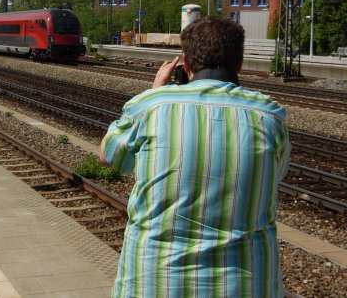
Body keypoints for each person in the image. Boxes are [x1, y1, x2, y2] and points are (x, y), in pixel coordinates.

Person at [100, 15, 290, 297]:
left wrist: (155, 92)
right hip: (245, 285)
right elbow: (276, 174)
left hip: (155, 283)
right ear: (239, 63)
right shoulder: (270, 117)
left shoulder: (151, 106)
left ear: (185, 64)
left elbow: (110, 155)